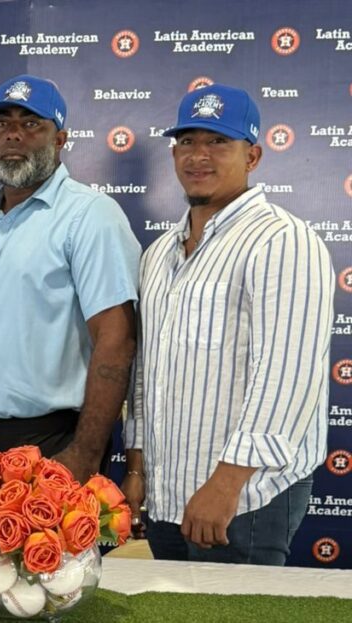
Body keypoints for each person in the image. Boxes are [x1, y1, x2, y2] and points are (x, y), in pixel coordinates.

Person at [123, 84, 334, 565]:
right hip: (168, 490)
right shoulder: (159, 253)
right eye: (187, 141)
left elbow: (287, 375)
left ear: (253, 155)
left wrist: (226, 484)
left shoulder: (282, 239)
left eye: (218, 141)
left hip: (246, 496)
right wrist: (136, 467)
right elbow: (145, 372)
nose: (199, 156)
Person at [0, 75, 140, 481]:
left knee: (44, 548)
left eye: (31, 123)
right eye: (2, 124)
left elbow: (116, 339)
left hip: (54, 442)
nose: (14, 136)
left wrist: (87, 453)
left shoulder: (90, 215)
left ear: (61, 139)